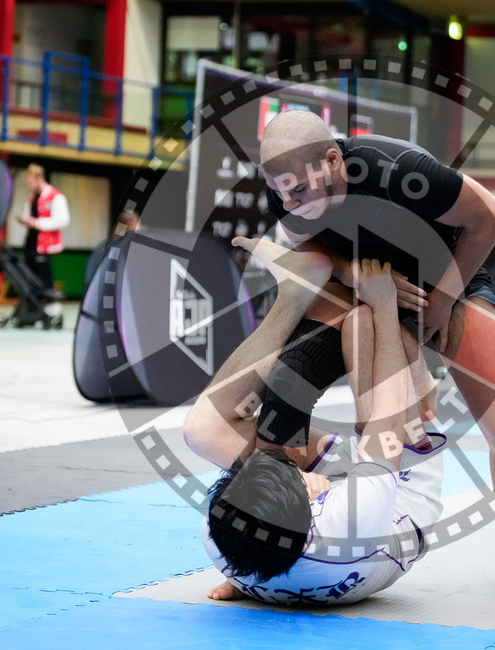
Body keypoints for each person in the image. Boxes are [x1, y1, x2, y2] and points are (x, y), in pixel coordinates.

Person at [253, 109, 495, 592]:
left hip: (450, 276)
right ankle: (259, 558)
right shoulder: (287, 187)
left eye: (298, 191)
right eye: (281, 193)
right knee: (279, 396)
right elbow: (315, 255)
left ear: (332, 159)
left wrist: (444, 304)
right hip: (372, 282)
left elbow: (491, 215)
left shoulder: (398, 170)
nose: (289, 202)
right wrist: (359, 277)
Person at [184, 236, 445, 604]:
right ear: (309, 512)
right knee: (364, 330)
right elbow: (382, 422)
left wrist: (243, 579)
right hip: (401, 495)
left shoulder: (218, 534)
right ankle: (421, 380)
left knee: (202, 432)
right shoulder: (352, 521)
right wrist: (385, 304)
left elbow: (248, 540)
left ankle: (291, 296)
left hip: (294, 530)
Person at [16, 163, 70, 321]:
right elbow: (29, 216)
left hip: (45, 245)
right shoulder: (32, 197)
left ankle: (50, 312)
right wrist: (27, 221)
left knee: (44, 279)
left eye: (31, 181)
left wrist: (37, 223)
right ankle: (32, 310)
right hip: (31, 242)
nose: (29, 185)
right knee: (28, 277)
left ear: (39, 178)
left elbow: (62, 220)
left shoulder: (56, 196)